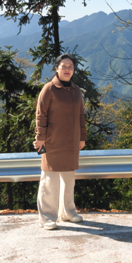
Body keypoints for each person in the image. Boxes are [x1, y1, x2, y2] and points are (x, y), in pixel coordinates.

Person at [33, 53, 86, 230]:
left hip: (71, 141)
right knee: (49, 180)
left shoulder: (76, 91)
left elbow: (81, 115)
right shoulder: (49, 89)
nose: (67, 69)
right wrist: (40, 137)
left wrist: (82, 137)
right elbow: (40, 115)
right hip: (52, 140)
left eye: (70, 66)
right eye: (64, 66)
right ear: (57, 68)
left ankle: (68, 212)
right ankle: (46, 217)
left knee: (69, 179)